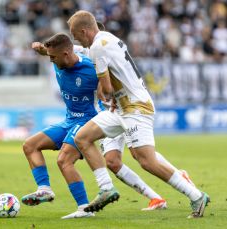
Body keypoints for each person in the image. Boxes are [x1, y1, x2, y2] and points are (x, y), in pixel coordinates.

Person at [68, 10, 210, 218]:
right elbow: (84, 52)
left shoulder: (98, 47)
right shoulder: (106, 39)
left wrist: (101, 91)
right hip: (122, 108)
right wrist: (53, 49)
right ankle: (106, 188)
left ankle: (196, 196)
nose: (75, 38)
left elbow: (106, 90)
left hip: (135, 108)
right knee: (82, 137)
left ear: (84, 30)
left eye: (75, 35)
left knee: (146, 160)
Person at [21, 33, 125, 219]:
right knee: (30, 145)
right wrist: (40, 49)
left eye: (53, 57)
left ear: (66, 54)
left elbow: (112, 75)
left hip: (87, 121)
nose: (50, 60)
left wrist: (106, 87)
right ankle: (44, 189)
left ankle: (84, 208)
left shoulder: (89, 68)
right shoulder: (59, 57)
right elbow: (51, 52)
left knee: (64, 160)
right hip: (69, 120)